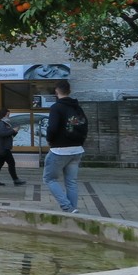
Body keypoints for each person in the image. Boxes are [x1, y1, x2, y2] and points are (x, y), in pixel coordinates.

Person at [43, 80, 87, 213]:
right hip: (77, 149)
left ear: (56, 91)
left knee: (49, 179)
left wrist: (50, 140)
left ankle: (67, 207)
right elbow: (84, 126)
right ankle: (73, 210)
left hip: (59, 150)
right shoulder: (77, 107)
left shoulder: (57, 107)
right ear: (70, 91)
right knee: (71, 182)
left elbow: (53, 128)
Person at [0, 108, 24, 186]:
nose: (8, 117)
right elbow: (2, 133)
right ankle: (15, 180)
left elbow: (8, 135)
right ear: (3, 115)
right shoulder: (0, 123)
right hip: (3, 147)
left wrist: (15, 131)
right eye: (7, 115)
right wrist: (13, 130)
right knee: (11, 163)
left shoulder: (4, 123)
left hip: (3, 147)